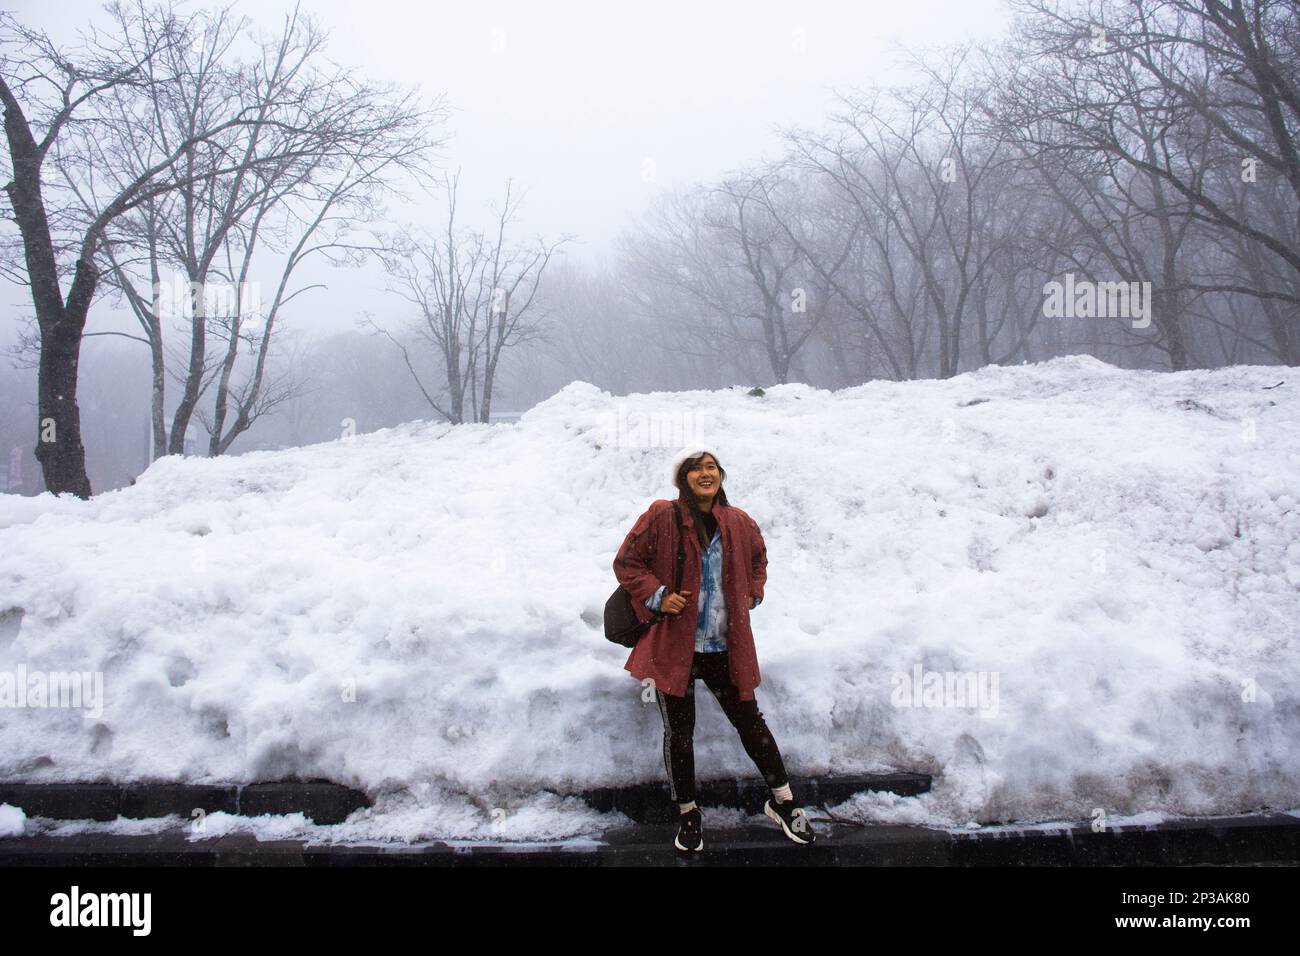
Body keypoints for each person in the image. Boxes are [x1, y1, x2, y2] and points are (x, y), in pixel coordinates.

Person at [612, 446, 815, 852]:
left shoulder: (738, 522)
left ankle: (784, 802)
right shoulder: (662, 515)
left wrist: (753, 594)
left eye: (712, 467)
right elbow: (627, 562)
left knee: (751, 723)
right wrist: (658, 596)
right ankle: (688, 813)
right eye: (695, 468)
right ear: (683, 479)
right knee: (679, 732)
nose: (706, 473)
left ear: (720, 475)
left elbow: (759, 560)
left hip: (725, 644)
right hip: (675, 647)